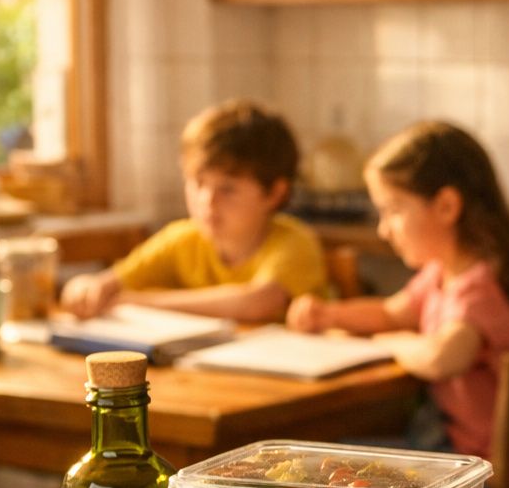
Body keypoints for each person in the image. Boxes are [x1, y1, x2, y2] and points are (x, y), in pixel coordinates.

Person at [286, 121, 509, 488]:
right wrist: (327, 316)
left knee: (331, 480)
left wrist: (391, 343)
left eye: (392, 210)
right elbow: (392, 313)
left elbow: (443, 357)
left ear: (446, 206)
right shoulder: (444, 274)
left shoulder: (479, 288)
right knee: (333, 462)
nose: (383, 230)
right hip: (468, 466)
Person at [60, 99, 326, 322]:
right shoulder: (181, 238)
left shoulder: (295, 242)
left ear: (275, 193)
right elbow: (108, 283)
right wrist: (85, 288)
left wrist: (133, 302)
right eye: (198, 183)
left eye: (228, 189)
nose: (207, 201)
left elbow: (255, 303)